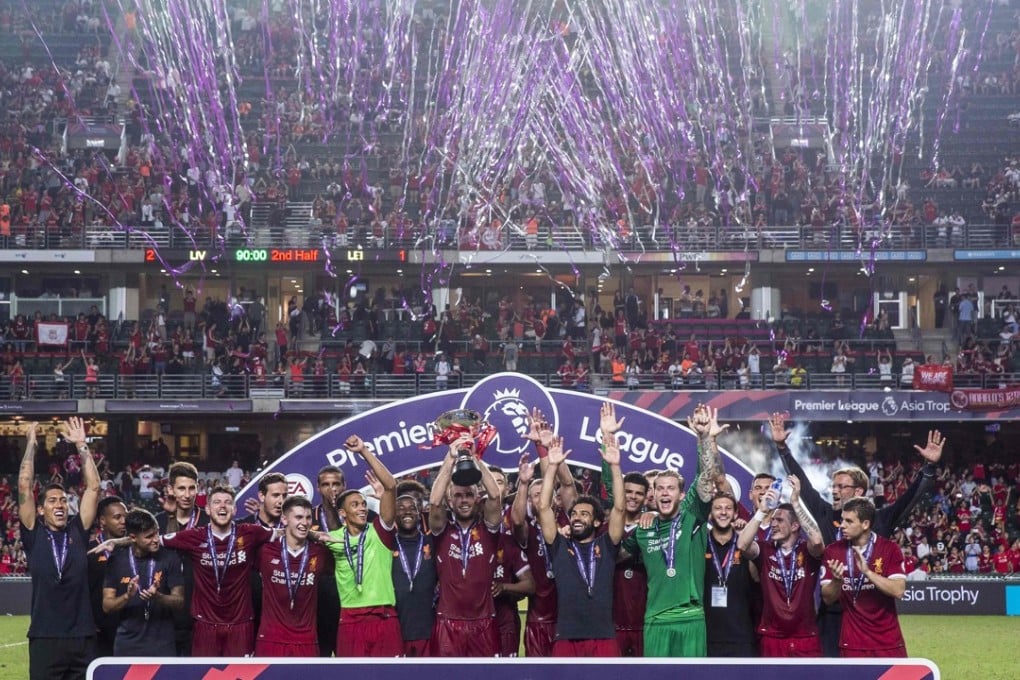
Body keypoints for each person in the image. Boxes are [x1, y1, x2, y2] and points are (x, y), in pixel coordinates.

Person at [768, 413, 944, 656]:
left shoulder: (879, 519)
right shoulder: (825, 513)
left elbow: (910, 498)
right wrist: (782, 448)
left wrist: (929, 468)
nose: (835, 491)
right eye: (833, 486)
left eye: (842, 486)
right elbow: (805, 486)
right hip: (833, 611)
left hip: (869, 612)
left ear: (859, 490)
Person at [619, 404, 726, 657]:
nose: (664, 492)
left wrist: (702, 438)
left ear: (680, 494)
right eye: (659, 488)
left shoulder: (693, 517)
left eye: (670, 488)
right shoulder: (643, 529)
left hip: (691, 617)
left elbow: (705, 477)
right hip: (655, 619)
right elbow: (614, 554)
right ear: (653, 495)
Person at [19, 418, 101, 680]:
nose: (60, 504)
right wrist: (31, 445)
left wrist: (81, 445)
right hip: (46, 635)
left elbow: (94, 487)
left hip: (82, 636)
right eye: (52, 500)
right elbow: (23, 484)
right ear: (41, 509)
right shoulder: (34, 533)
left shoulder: (78, 529)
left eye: (64, 500)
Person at [537, 421, 625, 656]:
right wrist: (553, 466)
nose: (577, 518)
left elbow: (619, 508)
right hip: (566, 636)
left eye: (584, 514)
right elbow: (544, 508)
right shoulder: (559, 546)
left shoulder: (607, 545)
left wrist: (615, 467)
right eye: (574, 514)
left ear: (597, 522)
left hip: (603, 636)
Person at [157, 485, 275, 655]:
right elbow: (153, 541)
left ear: (234, 509)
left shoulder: (250, 532)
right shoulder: (194, 536)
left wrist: (315, 535)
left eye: (228, 503)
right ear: (207, 509)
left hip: (240, 623)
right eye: (217, 502)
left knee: (239, 675)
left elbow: (283, 533)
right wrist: (115, 542)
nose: (222, 506)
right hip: (205, 624)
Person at [319, 435, 402, 657]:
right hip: (350, 619)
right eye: (355, 505)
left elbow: (391, 486)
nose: (362, 508)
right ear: (343, 513)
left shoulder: (379, 532)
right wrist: (312, 535)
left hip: (384, 618)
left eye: (364, 504)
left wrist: (364, 450)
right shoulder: (333, 538)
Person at [427, 432, 505, 656]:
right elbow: (434, 501)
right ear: (450, 501)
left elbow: (495, 497)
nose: (463, 501)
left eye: (469, 495)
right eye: (458, 496)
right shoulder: (442, 530)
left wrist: (475, 457)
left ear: (476, 499)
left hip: (484, 622)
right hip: (447, 622)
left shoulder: (487, 530)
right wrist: (450, 459)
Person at [510, 408, 579, 657]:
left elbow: (568, 485)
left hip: (569, 617)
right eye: (536, 496)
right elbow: (516, 519)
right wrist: (525, 483)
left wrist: (545, 449)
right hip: (539, 619)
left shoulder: (568, 519)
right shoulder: (527, 528)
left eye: (546, 493)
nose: (543, 498)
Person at [738, 476, 825, 657]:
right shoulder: (765, 550)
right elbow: (742, 545)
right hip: (772, 636)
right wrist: (762, 511)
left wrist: (795, 501)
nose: (774, 524)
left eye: (780, 521)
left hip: (805, 636)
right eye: (773, 520)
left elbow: (817, 540)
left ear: (794, 526)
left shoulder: (806, 551)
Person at [821, 498, 908, 657]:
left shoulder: (889, 549)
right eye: (842, 520)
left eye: (849, 521)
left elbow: (899, 590)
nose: (842, 525)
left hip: (888, 642)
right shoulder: (833, 551)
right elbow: (827, 598)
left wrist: (868, 573)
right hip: (851, 643)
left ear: (865, 524)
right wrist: (837, 581)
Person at [100, 509, 184, 656]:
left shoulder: (170, 558)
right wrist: (127, 596)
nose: (156, 539)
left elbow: (180, 601)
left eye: (157, 533)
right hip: (127, 645)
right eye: (149, 536)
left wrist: (158, 597)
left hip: (163, 644)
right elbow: (107, 606)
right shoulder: (116, 560)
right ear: (133, 537)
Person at [254, 496, 329, 657]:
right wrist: (274, 532)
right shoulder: (265, 551)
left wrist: (320, 537)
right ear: (284, 519)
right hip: (271, 639)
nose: (305, 522)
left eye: (308, 517)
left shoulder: (320, 552)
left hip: (306, 640)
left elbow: (348, 549)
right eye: (298, 517)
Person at [155, 461, 208, 656]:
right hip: (165, 615)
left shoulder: (208, 523)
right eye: (181, 488)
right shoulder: (158, 522)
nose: (187, 495)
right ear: (170, 489)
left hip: (200, 614)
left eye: (192, 488)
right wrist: (170, 517)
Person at [703, 491, 756, 657]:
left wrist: (746, 543)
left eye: (728, 508)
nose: (723, 512)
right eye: (718, 508)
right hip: (707, 634)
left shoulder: (745, 546)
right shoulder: (700, 543)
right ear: (710, 513)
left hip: (741, 634)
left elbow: (756, 577)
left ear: (736, 513)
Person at [392, 493, 438, 657]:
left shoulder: (432, 542)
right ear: (394, 513)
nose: (407, 512)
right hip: (395, 630)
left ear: (420, 514)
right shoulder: (387, 544)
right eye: (401, 509)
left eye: (412, 508)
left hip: (427, 627)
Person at [309, 465, 345, 657]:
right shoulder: (307, 518)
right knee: (319, 658)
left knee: (347, 659)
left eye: (336, 484)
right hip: (317, 594)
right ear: (318, 488)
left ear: (344, 486)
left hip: (348, 594)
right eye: (326, 484)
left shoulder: (358, 516)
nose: (332, 489)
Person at [88, 496, 127, 657]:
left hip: (127, 630)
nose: (124, 521)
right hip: (99, 632)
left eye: (126, 516)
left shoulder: (133, 549)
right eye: (117, 517)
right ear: (103, 521)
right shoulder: (89, 551)